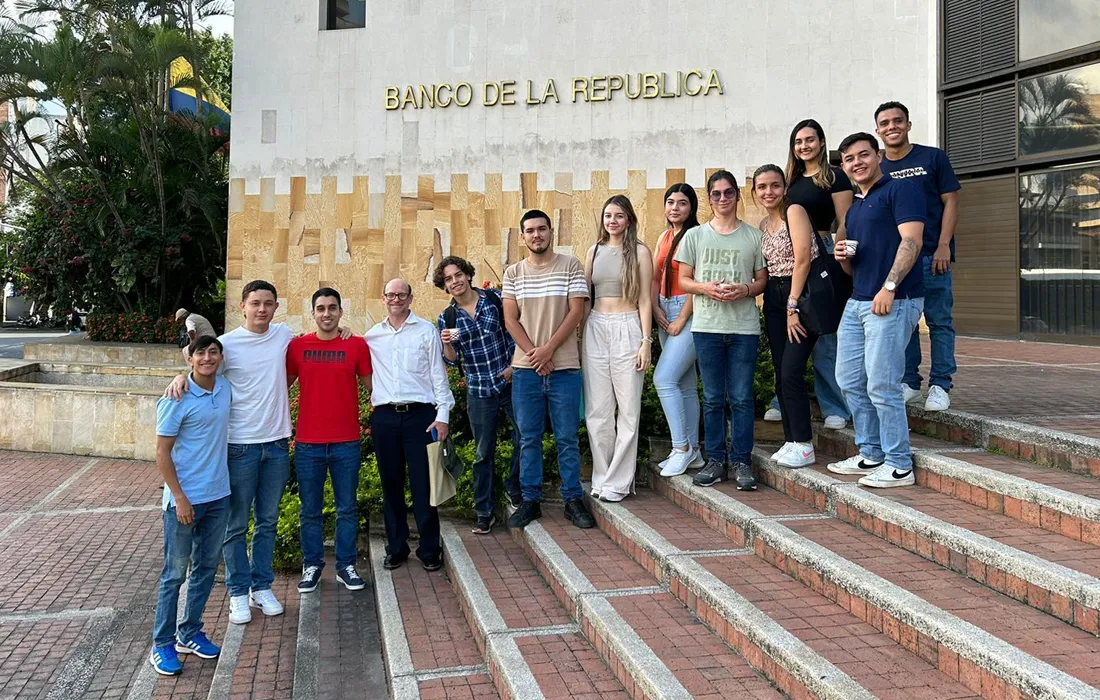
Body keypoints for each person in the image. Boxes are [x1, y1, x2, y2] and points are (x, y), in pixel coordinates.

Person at [165, 280, 331, 624]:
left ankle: (261, 586)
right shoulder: (226, 345)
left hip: (276, 443)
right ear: (242, 306)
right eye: (255, 303)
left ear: (275, 306)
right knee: (236, 525)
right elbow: (202, 371)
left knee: (267, 521)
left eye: (268, 303)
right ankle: (238, 592)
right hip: (239, 447)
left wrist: (340, 329)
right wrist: (180, 376)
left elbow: (317, 336)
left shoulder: (283, 336)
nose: (261, 309)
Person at [828, 132, 925, 488]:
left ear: (878, 155)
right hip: (858, 301)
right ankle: (871, 454)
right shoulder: (854, 208)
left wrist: (889, 286)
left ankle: (900, 464)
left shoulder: (901, 190)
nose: (856, 163)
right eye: (849, 159)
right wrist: (843, 258)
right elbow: (853, 266)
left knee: (883, 383)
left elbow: (912, 241)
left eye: (862, 155)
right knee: (850, 380)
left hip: (894, 299)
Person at [503, 209, 595, 529]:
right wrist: (534, 354)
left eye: (542, 229)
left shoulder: (570, 265)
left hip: (564, 366)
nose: (536, 235)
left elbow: (576, 312)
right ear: (523, 235)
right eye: (530, 231)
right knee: (528, 438)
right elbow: (510, 319)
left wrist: (549, 349)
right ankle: (531, 501)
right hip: (526, 370)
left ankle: (572, 499)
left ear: (551, 231)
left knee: (567, 437)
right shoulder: (513, 272)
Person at [676, 170, 768, 490]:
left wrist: (745, 290)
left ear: (738, 196)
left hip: (743, 328)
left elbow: (762, 280)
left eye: (729, 193)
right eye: (716, 194)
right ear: (709, 198)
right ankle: (716, 460)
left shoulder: (753, 236)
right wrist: (705, 288)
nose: (723, 199)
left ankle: (742, 462)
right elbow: (683, 280)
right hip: (707, 326)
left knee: (741, 397)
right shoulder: (695, 236)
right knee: (714, 398)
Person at [763, 119, 854, 431]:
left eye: (809, 140)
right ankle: (781, 399)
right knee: (790, 338)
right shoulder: (792, 180)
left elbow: (844, 220)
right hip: (791, 255)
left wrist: (841, 258)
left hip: (824, 250)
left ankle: (835, 406)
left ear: (820, 142)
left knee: (823, 332)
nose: (804, 146)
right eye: (798, 141)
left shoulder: (835, 177)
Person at [149, 335, 231, 676]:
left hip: (219, 496)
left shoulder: (225, 388)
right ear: (190, 359)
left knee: (205, 571)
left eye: (213, 352)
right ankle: (162, 644)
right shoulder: (176, 397)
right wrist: (180, 498)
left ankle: (190, 632)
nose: (208, 358)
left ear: (220, 358)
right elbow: (161, 453)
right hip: (184, 501)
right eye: (201, 353)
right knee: (173, 576)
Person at [875, 101, 961, 412]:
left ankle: (940, 384)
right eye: (885, 123)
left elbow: (951, 202)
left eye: (897, 121)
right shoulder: (878, 168)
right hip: (898, 263)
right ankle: (910, 382)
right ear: (878, 131)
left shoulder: (933, 158)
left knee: (939, 321)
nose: (891, 127)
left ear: (908, 125)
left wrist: (943, 245)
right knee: (904, 324)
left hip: (931, 257)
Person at [286, 288, 373, 593]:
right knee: (310, 509)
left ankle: (346, 566)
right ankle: (311, 566)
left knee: (346, 508)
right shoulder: (297, 347)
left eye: (332, 308)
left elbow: (374, 389)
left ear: (340, 311)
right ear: (313, 313)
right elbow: (276, 386)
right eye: (321, 308)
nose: (327, 313)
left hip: (346, 442)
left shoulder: (357, 346)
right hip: (308, 443)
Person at [366, 279, 454, 571]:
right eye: (390, 294)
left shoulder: (426, 331)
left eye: (401, 294)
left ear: (410, 298)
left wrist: (443, 416)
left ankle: (429, 549)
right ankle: (396, 547)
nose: (396, 299)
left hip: (421, 416)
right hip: (385, 418)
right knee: (390, 484)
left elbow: (437, 375)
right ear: (383, 298)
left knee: (424, 485)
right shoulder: (372, 336)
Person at [434, 256, 521, 534]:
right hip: (479, 390)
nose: (455, 281)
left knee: (525, 435)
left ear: (468, 275)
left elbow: (515, 332)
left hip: (508, 381)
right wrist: (446, 344)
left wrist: (512, 368)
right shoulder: (447, 318)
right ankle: (484, 510)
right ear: (445, 286)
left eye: (458, 275)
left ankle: (514, 487)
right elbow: (450, 361)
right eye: (448, 279)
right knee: (483, 452)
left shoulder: (494, 299)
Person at [583, 195, 654, 501]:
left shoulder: (640, 252)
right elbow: (585, 297)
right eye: (608, 215)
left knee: (628, 410)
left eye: (619, 216)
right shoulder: (594, 251)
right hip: (595, 327)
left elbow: (645, 300)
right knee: (597, 411)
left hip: (628, 328)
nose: (612, 221)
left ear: (629, 220)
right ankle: (602, 477)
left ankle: (619, 482)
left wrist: (646, 342)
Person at [753, 164, 821, 469]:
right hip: (774, 299)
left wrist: (793, 306)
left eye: (775, 185)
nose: (769, 192)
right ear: (754, 192)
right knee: (782, 372)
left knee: (793, 370)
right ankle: (792, 440)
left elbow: (803, 258)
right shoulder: (762, 226)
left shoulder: (795, 211)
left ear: (784, 187)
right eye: (762, 187)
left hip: (801, 296)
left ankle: (805, 443)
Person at [651, 184, 704, 477]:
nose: (675, 208)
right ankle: (694, 451)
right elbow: (656, 276)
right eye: (670, 202)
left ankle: (680, 447)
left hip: (688, 311)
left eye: (682, 203)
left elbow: (697, 281)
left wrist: (682, 319)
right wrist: (656, 309)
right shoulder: (664, 236)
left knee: (663, 378)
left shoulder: (696, 236)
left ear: (691, 207)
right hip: (663, 308)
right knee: (683, 384)